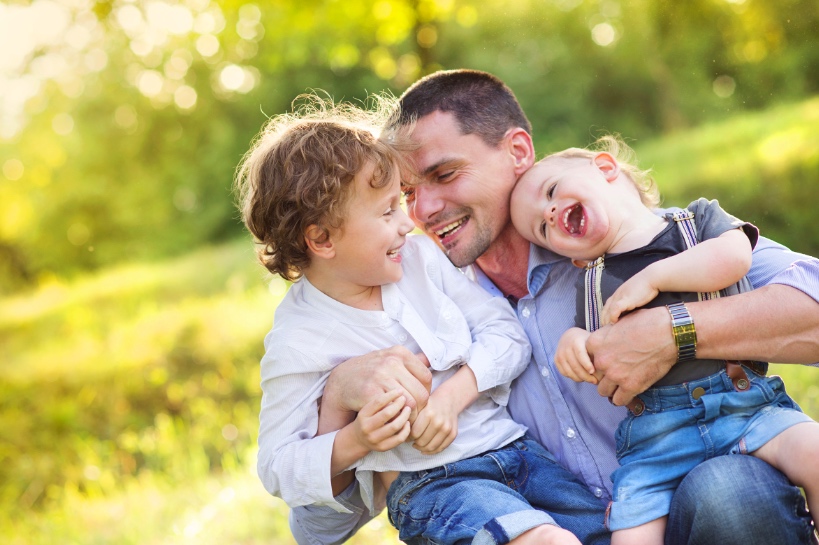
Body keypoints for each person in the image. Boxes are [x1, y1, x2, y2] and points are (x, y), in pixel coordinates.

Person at [289, 69, 819, 545]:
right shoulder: (405, 303)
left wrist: (674, 330)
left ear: (518, 151)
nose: (423, 210)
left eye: (445, 175)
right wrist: (337, 398)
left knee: (728, 489)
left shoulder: (637, 238)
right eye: (406, 194)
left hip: (694, 511)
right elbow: (317, 529)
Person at [235, 97, 610, 545]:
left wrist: (453, 396)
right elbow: (278, 466)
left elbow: (505, 333)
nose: (407, 222)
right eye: (387, 210)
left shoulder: (422, 262)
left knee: (609, 533)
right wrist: (355, 439)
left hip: (518, 452)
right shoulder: (299, 338)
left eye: (401, 202)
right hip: (437, 486)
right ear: (321, 239)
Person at [509, 136, 819, 545]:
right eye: (543, 229)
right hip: (656, 439)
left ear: (605, 168)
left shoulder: (696, 222)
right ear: (573, 258)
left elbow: (733, 259)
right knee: (629, 534)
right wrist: (573, 342)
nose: (549, 213)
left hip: (742, 406)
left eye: (551, 191)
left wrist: (654, 279)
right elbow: (596, 345)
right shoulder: (590, 280)